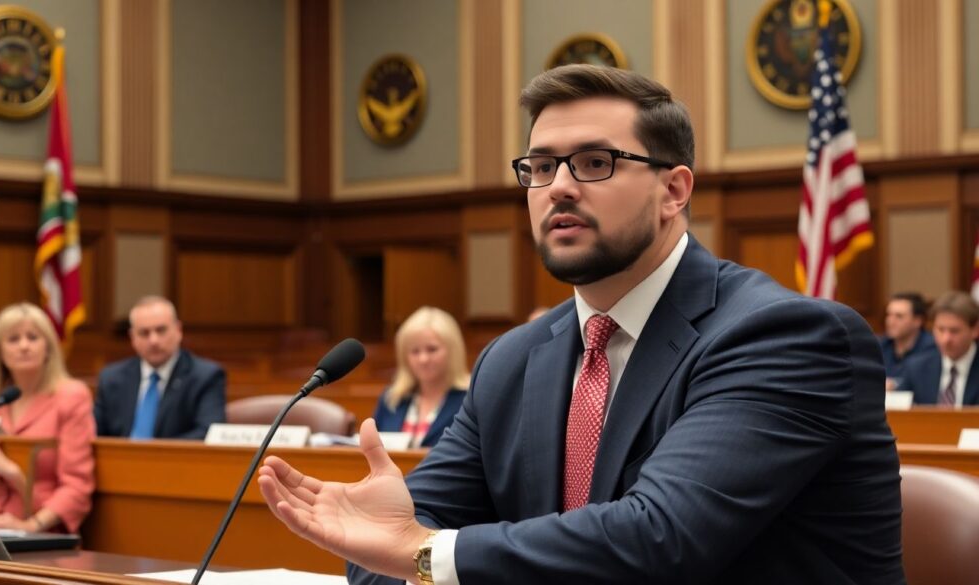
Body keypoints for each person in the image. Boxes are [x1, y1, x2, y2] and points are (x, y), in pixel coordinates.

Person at [258, 65, 904, 584]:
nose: (559, 187)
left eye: (594, 162)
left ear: (673, 191)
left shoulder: (784, 335)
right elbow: (389, 547)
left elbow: (660, 540)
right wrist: (400, 547)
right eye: (540, 167)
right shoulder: (511, 360)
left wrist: (425, 553)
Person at [0, 302, 94, 533]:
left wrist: (28, 523)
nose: (24, 346)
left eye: (32, 337)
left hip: (42, 531)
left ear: (48, 347)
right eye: (13, 339)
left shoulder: (71, 396)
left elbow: (77, 486)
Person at [93, 296, 225, 439]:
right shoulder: (112, 378)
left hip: (174, 460)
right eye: (144, 333)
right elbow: (94, 432)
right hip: (119, 460)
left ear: (178, 330)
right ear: (132, 337)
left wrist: (154, 455)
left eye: (161, 330)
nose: (153, 341)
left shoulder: (205, 376)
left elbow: (207, 433)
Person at [373, 307, 470, 448]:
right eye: (415, 351)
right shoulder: (391, 399)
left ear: (453, 351)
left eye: (432, 349)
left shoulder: (469, 401)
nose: (423, 359)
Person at [900, 290, 979, 406]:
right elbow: (900, 415)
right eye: (940, 330)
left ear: (975, 330)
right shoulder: (916, 368)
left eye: (954, 331)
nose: (946, 339)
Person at [879, 292, 936, 390]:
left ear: (918, 321)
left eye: (899, 316)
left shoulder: (932, 349)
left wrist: (895, 385)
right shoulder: (880, 346)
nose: (890, 321)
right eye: (888, 315)